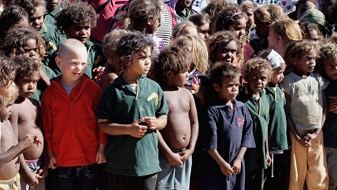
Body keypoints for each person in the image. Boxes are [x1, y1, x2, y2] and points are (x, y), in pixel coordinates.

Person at [97, 32, 168, 190]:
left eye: (149, 57)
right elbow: (103, 125)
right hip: (120, 166)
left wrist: (157, 123)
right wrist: (128, 130)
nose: (148, 62)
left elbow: (163, 116)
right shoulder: (113, 90)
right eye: (142, 58)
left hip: (148, 165)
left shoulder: (154, 87)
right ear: (125, 58)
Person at [41, 38, 107, 190]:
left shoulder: (93, 90)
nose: (79, 68)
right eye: (74, 63)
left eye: (83, 63)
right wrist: (50, 154)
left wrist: (102, 148)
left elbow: (101, 122)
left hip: (90, 159)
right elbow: (48, 127)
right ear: (59, 62)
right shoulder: (50, 93)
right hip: (62, 161)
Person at [280, 40, 329, 189]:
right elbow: (286, 112)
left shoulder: (318, 80)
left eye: (314, 59)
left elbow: (324, 108)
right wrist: (297, 135)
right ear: (295, 60)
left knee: (319, 172)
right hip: (298, 134)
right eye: (308, 59)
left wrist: (316, 133)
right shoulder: (289, 82)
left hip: (316, 134)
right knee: (297, 174)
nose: (312, 62)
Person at [199, 62, 255, 190]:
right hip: (216, 165)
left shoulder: (242, 108)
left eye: (236, 85)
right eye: (229, 86)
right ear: (216, 87)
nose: (234, 89)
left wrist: (239, 159)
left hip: (236, 165)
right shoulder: (213, 110)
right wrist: (222, 164)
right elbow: (210, 143)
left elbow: (247, 134)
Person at [150, 46, 198, 189]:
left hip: (185, 155)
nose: (188, 75)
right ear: (170, 74)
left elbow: (194, 122)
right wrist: (169, 154)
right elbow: (154, 129)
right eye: (184, 72)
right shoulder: (159, 94)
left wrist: (191, 149)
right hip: (164, 156)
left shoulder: (187, 94)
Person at [9, 56, 48, 190]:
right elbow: (14, 142)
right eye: (26, 81)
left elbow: (42, 134)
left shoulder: (35, 104)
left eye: (34, 81)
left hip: (39, 165)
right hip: (21, 166)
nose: (31, 86)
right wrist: (25, 171)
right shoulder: (13, 108)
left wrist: (45, 163)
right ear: (14, 81)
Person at [236, 57, 273, 190]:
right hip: (245, 152)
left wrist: (267, 152)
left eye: (262, 78)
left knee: (259, 183)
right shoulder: (240, 99)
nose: (258, 81)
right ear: (246, 77)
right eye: (254, 77)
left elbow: (266, 126)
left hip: (260, 152)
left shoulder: (265, 98)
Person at [48, 1, 106, 80]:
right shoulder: (61, 54)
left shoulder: (96, 50)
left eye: (87, 28)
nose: (83, 33)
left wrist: (102, 70)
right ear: (66, 29)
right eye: (78, 28)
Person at [258, 49, 290, 190]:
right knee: (267, 179)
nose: (282, 76)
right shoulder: (264, 94)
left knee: (279, 176)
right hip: (269, 144)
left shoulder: (280, 90)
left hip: (282, 142)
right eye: (279, 73)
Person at [0, 85, 41, 190]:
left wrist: (27, 143)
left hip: (13, 181)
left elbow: (12, 150)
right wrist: (21, 146)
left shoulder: (6, 122)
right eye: (8, 105)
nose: (11, 109)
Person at [1, 26, 56, 102]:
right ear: (14, 51)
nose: (32, 53)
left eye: (35, 50)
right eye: (27, 50)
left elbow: (56, 94)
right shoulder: (8, 71)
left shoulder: (46, 71)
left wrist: (40, 71)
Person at [316, 41, 337, 190]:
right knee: (328, 179)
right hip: (327, 142)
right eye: (331, 66)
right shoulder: (320, 84)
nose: (335, 69)